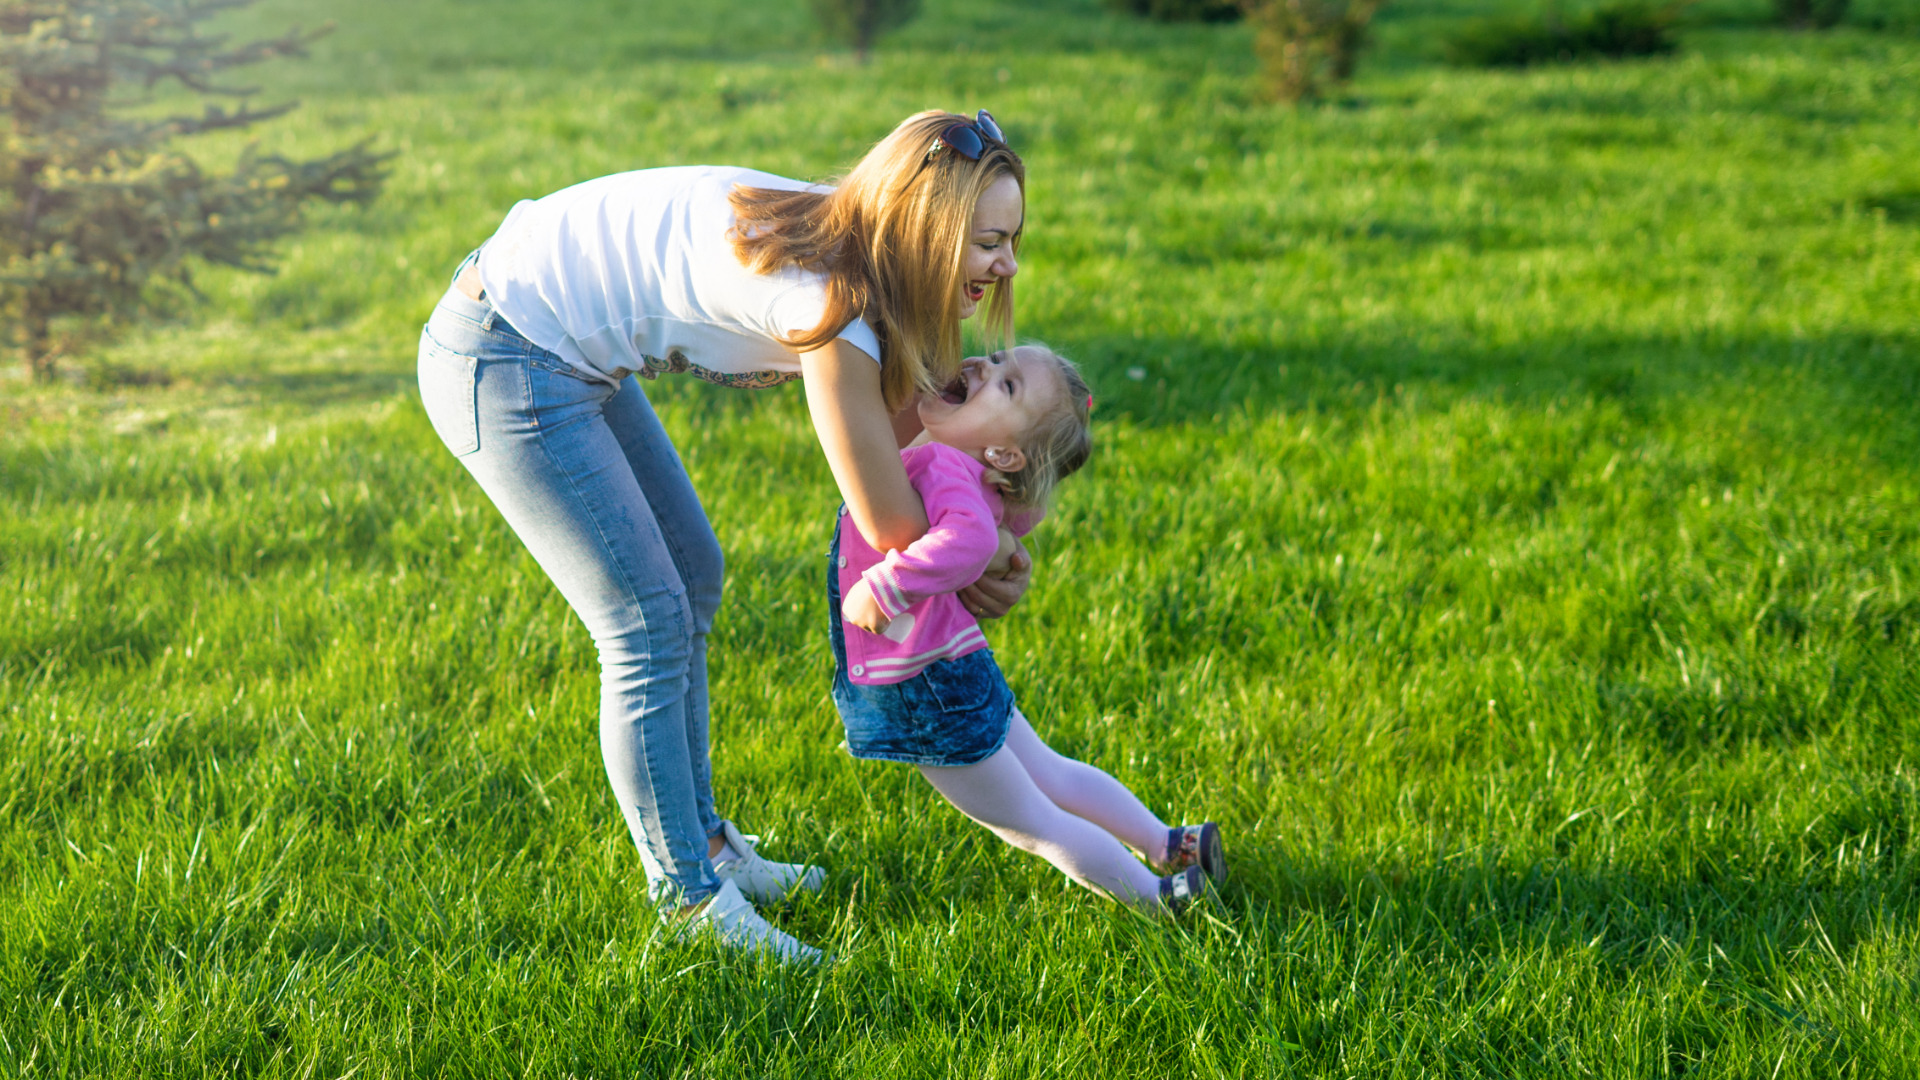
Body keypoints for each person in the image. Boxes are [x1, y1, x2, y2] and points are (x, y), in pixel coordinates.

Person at [416, 111, 1030, 964]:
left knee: (691, 575)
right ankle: (689, 899)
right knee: (644, 624)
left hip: (551, 341)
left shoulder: (878, 245)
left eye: (1011, 240)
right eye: (989, 241)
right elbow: (889, 515)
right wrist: (974, 553)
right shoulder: (832, 303)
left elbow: (908, 444)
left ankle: (706, 845)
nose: (1007, 265)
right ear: (925, 229)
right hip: (501, 353)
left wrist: (983, 535)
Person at [830, 345, 1229, 912]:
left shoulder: (946, 466)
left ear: (1004, 452)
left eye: (1008, 385)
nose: (984, 367)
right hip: (954, 663)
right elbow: (1008, 519)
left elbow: (971, 542)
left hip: (922, 683)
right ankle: (1170, 844)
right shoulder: (975, 475)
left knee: (1032, 820)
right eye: (995, 358)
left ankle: (1158, 898)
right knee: (1051, 774)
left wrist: (887, 586)